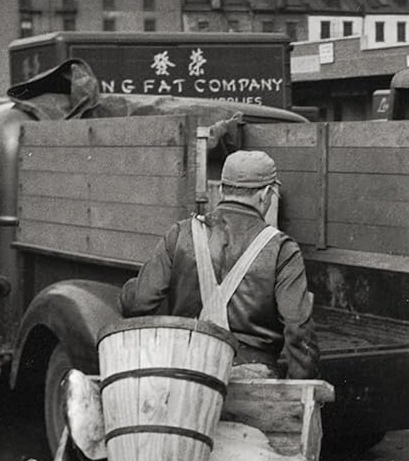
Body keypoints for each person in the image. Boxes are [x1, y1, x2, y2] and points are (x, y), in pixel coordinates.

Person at [120, 148, 320, 379]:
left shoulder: (180, 234)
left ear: (223, 190)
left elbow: (137, 304)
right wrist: (301, 389)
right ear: (265, 194)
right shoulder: (282, 249)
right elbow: (298, 330)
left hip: (187, 371)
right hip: (251, 373)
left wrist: (131, 289)